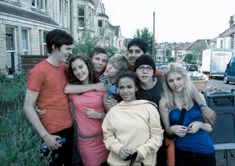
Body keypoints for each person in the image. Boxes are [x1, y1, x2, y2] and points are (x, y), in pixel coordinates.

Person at [24, 29, 74, 166]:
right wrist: (45, 136)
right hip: (51, 132)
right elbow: (28, 106)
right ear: (54, 47)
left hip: (69, 127)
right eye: (67, 48)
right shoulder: (38, 71)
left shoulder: (65, 67)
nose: (70, 52)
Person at [159, 63, 216, 166]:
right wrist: (173, 129)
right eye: (171, 81)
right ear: (166, 83)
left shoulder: (197, 97)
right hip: (182, 151)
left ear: (184, 79)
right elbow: (167, 130)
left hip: (205, 150)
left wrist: (200, 125)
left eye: (178, 79)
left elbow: (210, 128)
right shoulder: (164, 102)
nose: (175, 83)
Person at [102, 71, 164, 166]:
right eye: (121, 87)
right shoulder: (113, 112)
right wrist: (118, 148)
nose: (125, 91)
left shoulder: (149, 108)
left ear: (136, 88)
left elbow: (157, 136)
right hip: (117, 162)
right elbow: (108, 136)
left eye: (129, 87)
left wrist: (145, 150)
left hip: (144, 162)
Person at [65, 54, 109, 166]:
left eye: (81, 67)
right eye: (74, 69)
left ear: (88, 66)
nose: (78, 71)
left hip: (106, 139)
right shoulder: (73, 91)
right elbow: (65, 90)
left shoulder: (101, 88)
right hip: (87, 143)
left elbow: (112, 114)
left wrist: (101, 116)